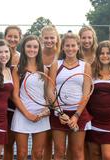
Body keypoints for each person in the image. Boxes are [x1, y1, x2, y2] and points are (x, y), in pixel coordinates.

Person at [48, 33, 92, 160]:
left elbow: (86, 93)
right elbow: (50, 90)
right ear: (62, 47)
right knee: (59, 152)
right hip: (59, 113)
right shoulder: (56, 64)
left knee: (77, 151)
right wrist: (59, 112)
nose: (70, 48)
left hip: (78, 114)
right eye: (67, 45)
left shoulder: (85, 66)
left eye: (73, 45)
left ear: (78, 47)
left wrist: (76, 115)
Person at [11, 35, 50, 160]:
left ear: (39, 49)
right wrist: (28, 114)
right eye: (29, 46)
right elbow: (15, 96)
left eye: (35, 47)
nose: (32, 49)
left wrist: (47, 110)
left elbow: (47, 95)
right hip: (22, 115)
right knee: (21, 154)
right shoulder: (17, 70)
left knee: (38, 154)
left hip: (41, 117)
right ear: (23, 48)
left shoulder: (44, 70)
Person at [39, 25, 61, 160]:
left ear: (57, 39)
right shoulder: (36, 54)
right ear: (41, 39)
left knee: (58, 143)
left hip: (59, 103)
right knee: (45, 141)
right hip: (40, 103)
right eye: (46, 38)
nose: (49, 41)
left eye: (52, 38)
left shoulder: (62, 54)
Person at [78, 25, 98, 160]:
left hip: (96, 100)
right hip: (79, 101)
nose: (86, 40)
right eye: (83, 37)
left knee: (94, 141)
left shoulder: (100, 54)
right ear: (79, 39)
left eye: (89, 37)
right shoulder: (75, 54)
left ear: (93, 38)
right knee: (80, 142)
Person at [3, 25, 22, 160]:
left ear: (20, 39)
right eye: (10, 36)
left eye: (16, 36)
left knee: (20, 148)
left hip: (20, 107)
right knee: (7, 145)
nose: (12, 39)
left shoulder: (23, 58)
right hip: (3, 107)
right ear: (5, 37)